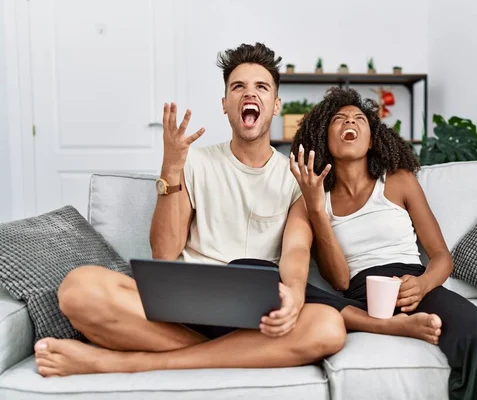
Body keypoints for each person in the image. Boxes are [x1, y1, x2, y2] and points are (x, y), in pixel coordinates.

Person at [33, 43, 346, 377]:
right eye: (237, 87)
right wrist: (171, 167)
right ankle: (234, 355)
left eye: (261, 87)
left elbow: (297, 250)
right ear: (225, 104)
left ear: (276, 104)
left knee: (327, 325)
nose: (248, 94)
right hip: (183, 307)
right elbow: (165, 253)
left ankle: (128, 362)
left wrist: (295, 297)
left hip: (257, 313)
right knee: (78, 288)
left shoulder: (295, 176)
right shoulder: (193, 161)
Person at [288, 87, 477, 400]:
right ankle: (383, 324)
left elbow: (442, 258)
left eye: (358, 119)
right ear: (323, 138)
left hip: (413, 285)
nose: (349, 122)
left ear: (372, 137)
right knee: (289, 288)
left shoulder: (399, 181)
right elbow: (339, 279)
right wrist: (316, 209)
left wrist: (421, 285)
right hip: (358, 297)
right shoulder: (312, 200)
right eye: (338, 119)